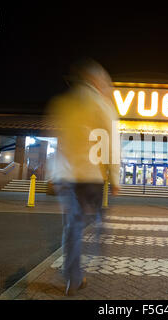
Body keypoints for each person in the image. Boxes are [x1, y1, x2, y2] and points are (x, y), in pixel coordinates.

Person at [46, 58, 120, 296]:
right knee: (89, 218)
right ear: (95, 81)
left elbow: (54, 135)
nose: (107, 87)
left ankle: (73, 276)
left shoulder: (63, 103)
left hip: (65, 175)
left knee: (72, 225)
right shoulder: (102, 105)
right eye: (105, 82)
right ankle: (98, 228)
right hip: (89, 175)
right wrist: (115, 177)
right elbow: (112, 143)